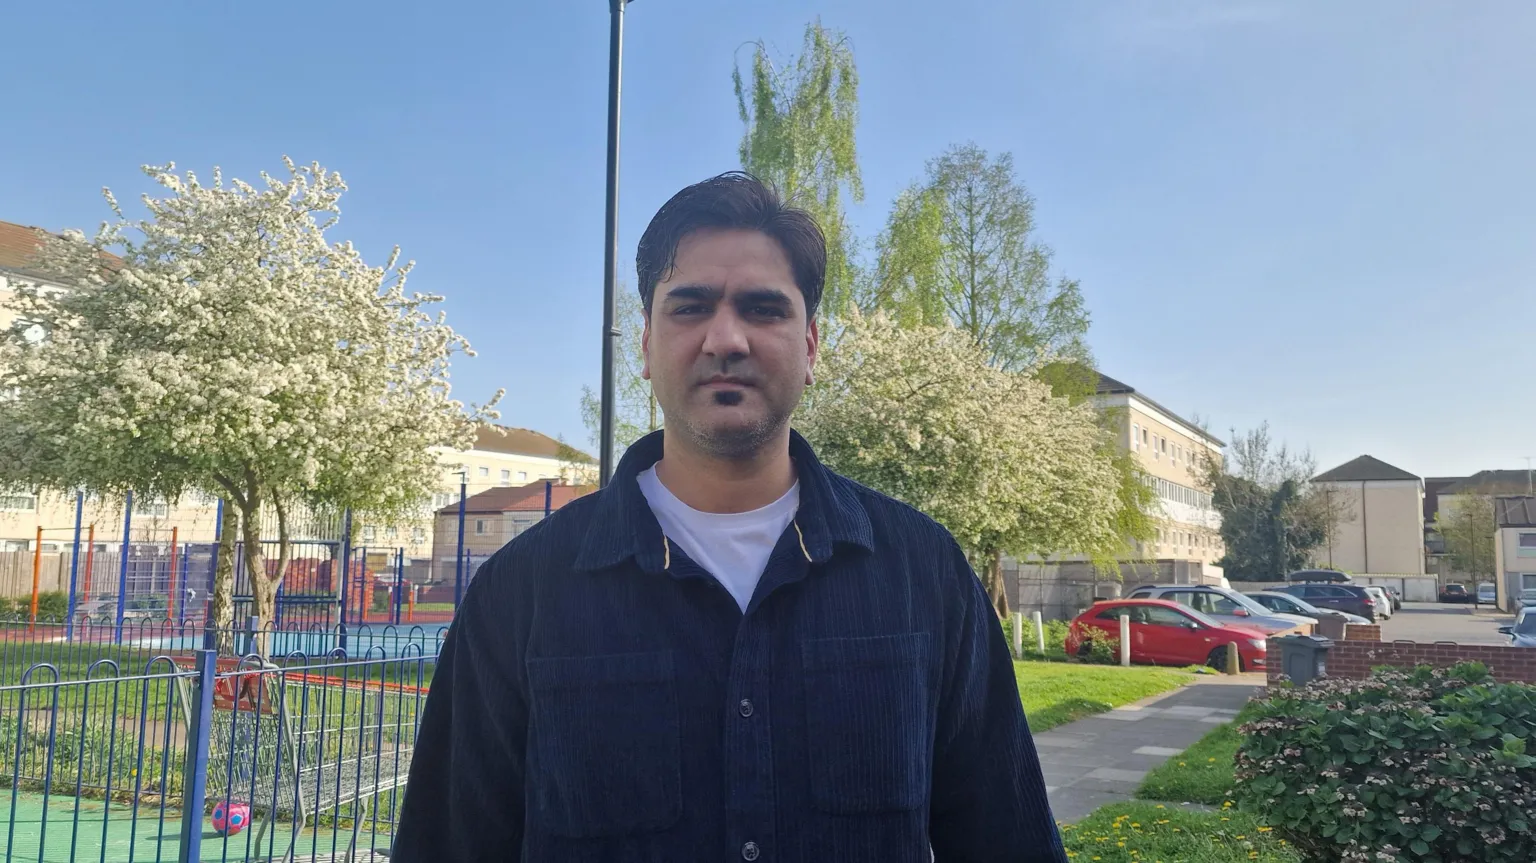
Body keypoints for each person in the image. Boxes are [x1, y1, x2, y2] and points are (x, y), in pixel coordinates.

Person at [392, 172, 1067, 862]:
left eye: (763, 308)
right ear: (646, 346)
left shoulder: (923, 572)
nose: (725, 338)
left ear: (810, 347)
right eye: (689, 307)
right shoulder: (520, 594)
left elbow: (1005, 837)